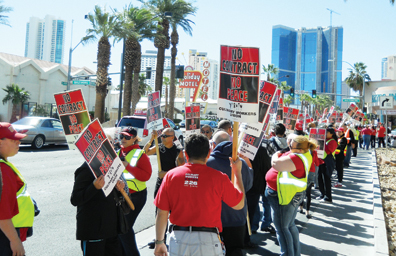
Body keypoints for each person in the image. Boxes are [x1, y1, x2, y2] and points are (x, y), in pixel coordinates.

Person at [153, 134, 245, 256]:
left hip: (178, 238)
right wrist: (237, 172)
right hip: (208, 240)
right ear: (209, 153)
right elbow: (239, 205)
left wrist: (159, 241)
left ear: (186, 154)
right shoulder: (218, 177)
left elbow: (162, 212)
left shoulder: (171, 176)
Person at [265, 135, 317, 256]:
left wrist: (275, 155)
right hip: (290, 194)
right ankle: (294, 253)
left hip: (285, 195)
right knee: (289, 226)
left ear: (299, 149)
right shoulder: (304, 154)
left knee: (282, 228)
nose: (289, 147)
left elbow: (275, 164)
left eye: (291, 146)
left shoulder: (296, 158)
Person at [206, 131, 253, 255]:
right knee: (234, 251)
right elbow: (247, 186)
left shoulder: (206, 164)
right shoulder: (240, 162)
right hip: (237, 217)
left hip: (213, 218)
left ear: (214, 145)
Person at [144, 128, 185, 249]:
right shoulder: (159, 146)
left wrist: (166, 174)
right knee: (159, 210)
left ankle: (178, 236)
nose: (163, 137)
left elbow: (182, 168)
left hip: (173, 182)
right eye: (162, 135)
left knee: (174, 210)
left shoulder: (177, 149)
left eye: (165, 136)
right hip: (160, 182)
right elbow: (145, 152)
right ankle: (160, 238)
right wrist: (152, 139)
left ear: (172, 137)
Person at [0, 122, 35, 256]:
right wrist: (15, 241)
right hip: (5, 236)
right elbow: (2, 212)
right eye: (13, 139)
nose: (18, 142)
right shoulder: (3, 170)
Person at [117, 127, 152, 256]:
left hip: (136, 196)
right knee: (120, 229)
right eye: (121, 137)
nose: (123, 139)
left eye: (127, 137)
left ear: (134, 139)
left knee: (124, 228)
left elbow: (146, 176)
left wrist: (127, 166)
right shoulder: (118, 152)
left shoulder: (139, 154)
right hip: (122, 195)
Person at [316, 127, 338, 203]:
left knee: (326, 179)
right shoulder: (326, 140)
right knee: (320, 178)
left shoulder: (332, 141)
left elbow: (329, 151)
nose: (325, 134)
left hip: (328, 162)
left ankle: (328, 197)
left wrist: (321, 143)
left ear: (331, 134)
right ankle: (322, 194)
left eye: (327, 133)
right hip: (321, 161)